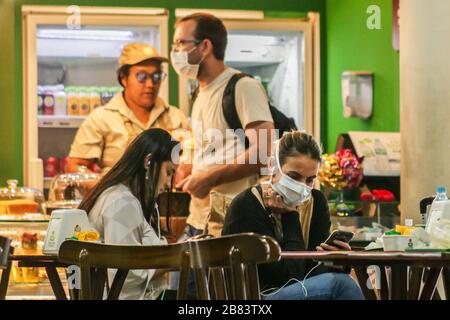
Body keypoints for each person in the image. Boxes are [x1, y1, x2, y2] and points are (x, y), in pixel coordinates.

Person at [222, 131, 365, 300]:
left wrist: (336, 261)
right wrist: (291, 216)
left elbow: (310, 271)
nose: (301, 186)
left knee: (343, 279)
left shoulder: (316, 202)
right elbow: (288, 278)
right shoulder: (246, 206)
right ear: (272, 166)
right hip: (254, 297)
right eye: (293, 177)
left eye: (310, 180)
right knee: (341, 285)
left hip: (298, 290)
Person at [171, 13, 275, 239]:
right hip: (199, 219)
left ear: (205, 46)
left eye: (180, 43)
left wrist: (209, 178)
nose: (175, 51)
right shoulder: (199, 92)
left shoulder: (243, 86)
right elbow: (214, 147)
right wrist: (191, 166)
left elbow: (264, 150)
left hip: (233, 222)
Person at [78, 128, 180, 300]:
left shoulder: (120, 197)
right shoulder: (122, 203)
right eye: (168, 172)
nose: (169, 182)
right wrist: (175, 259)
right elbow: (125, 279)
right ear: (148, 162)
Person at [67, 43, 188, 175]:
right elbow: (75, 166)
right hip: (118, 195)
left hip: (166, 194)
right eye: (142, 76)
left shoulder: (176, 117)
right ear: (124, 78)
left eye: (156, 77)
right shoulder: (100, 119)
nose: (150, 84)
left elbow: (189, 160)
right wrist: (103, 186)